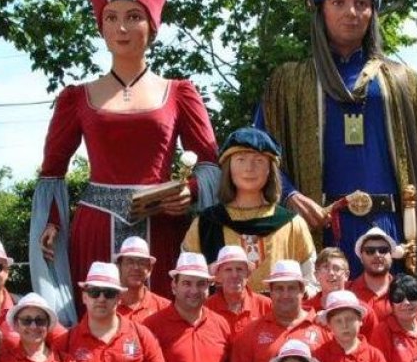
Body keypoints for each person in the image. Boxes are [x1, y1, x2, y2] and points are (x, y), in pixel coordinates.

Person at [32, 0, 221, 321]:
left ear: (152, 24)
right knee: (96, 326)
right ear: (100, 26)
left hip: (163, 226)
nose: (122, 27)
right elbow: (52, 173)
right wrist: (52, 222)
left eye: (133, 16)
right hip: (96, 228)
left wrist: (191, 191)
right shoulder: (76, 98)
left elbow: (210, 162)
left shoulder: (180, 93)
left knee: (165, 325)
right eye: (111, 17)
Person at [256, 0, 417, 276]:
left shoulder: (403, 81)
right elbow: (259, 155)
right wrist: (289, 195)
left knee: (393, 319)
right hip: (319, 231)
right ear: (321, 12)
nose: (352, 11)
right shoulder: (289, 82)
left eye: (362, 2)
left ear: (373, 12)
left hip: (394, 233)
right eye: (339, 2)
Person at [183, 126, 316, 292]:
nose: (249, 168)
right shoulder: (205, 223)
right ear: (228, 168)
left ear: (270, 170)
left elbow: (311, 281)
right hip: (221, 315)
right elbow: (187, 278)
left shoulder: (292, 224)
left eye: (259, 160)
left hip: (277, 316)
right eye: (241, 159)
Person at [204, 245, 273, 336]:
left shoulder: (265, 305)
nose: (234, 275)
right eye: (228, 270)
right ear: (218, 276)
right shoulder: (206, 308)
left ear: (247, 274)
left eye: (239, 269)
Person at [348, 227, 399, 326]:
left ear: (391, 256)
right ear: (361, 258)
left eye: (383, 250)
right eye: (370, 251)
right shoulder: (347, 291)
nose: (377, 255)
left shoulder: (405, 291)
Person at [114, 237, 171, 323]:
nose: (136, 267)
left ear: (150, 269)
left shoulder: (165, 308)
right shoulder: (107, 306)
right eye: (130, 262)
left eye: (141, 263)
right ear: (119, 267)